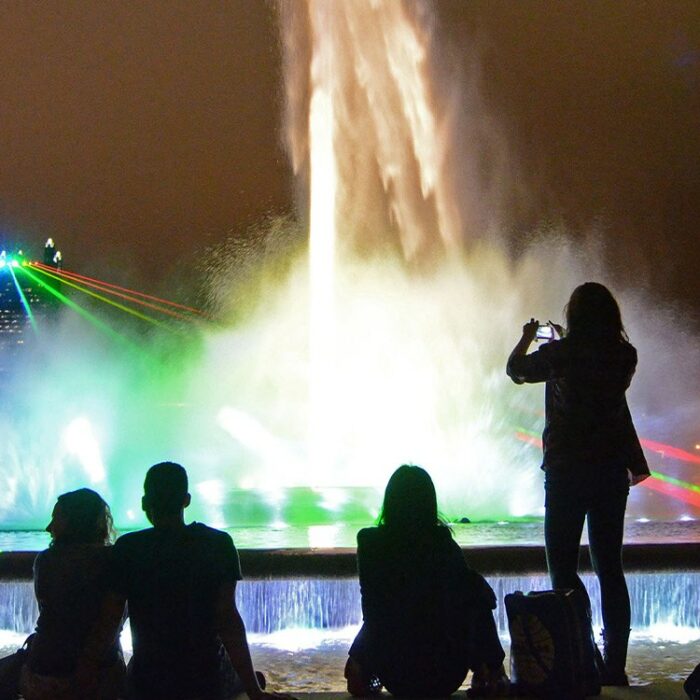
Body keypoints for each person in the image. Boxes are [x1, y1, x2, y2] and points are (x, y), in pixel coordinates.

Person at [506, 281, 650, 686]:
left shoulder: (560, 355)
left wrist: (527, 338)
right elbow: (596, 374)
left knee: (562, 571)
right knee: (610, 569)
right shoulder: (624, 356)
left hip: (567, 472)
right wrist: (565, 343)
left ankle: (581, 655)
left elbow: (516, 370)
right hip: (609, 472)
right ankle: (615, 665)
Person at [76, 461, 292, 700]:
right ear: (186, 500)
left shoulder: (129, 549)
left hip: (149, 682)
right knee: (250, 679)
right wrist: (254, 691)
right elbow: (228, 619)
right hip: (208, 680)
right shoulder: (217, 544)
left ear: (145, 503)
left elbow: (109, 620)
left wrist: (83, 674)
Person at [345, 464, 509, 698]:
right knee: (473, 592)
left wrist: (358, 656)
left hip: (395, 675)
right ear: (429, 503)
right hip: (446, 675)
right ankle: (493, 671)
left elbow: (375, 613)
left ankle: (363, 676)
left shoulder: (371, 545)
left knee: (384, 611)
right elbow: (479, 600)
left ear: (390, 501)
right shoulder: (443, 544)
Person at [20, 488, 125, 700]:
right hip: (101, 669)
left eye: (56, 519)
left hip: (47, 668)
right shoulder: (114, 559)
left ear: (73, 522)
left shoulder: (47, 561)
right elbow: (116, 616)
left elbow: (50, 614)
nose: (48, 527)